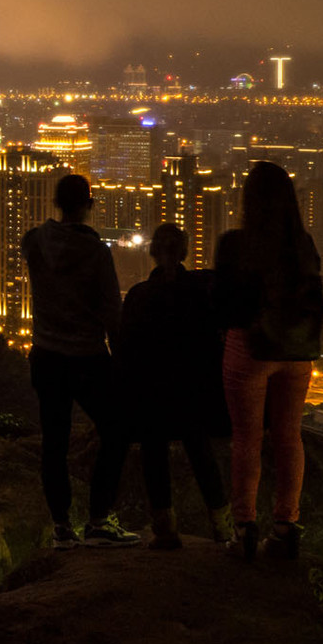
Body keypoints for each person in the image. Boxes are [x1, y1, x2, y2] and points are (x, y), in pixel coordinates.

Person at [214, 161, 323, 561]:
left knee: (247, 437)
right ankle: (286, 526)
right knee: (288, 435)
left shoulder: (235, 244)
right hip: (296, 353)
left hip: (249, 349)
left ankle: (244, 527)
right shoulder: (303, 244)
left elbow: (222, 305)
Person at [22, 173, 136, 548]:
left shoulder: (35, 242)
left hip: (46, 356)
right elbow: (111, 314)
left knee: (54, 442)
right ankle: (98, 519)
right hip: (87, 357)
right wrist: (123, 362)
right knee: (117, 430)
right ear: (87, 205)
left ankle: (61, 527)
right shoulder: (96, 252)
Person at [116, 223, 233, 550]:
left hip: (151, 393)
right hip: (193, 392)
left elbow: (124, 349)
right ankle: (223, 527)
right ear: (184, 252)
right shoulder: (201, 289)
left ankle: (165, 528)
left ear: (153, 252)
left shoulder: (139, 295)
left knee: (154, 451)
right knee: (201, 452)